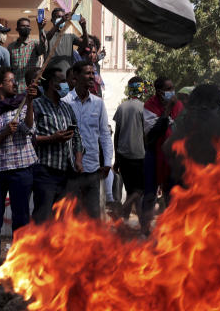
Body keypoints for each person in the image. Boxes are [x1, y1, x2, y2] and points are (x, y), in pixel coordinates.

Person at [0, 67, 37, 278]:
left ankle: (21, 272)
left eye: (15, 81)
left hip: (21, 170)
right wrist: (4, 133)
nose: (15, 84)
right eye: (11, 81)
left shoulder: (21, 104)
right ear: (0, 85)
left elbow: (29, 129)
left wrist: (30, 103)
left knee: (21, 222)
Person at [32, 67, 83, 224]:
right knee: (43, 217)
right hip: (45, 172)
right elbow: (29, 138)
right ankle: (36, 248)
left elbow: (77, 137)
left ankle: (55, 249)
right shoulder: (36, 105)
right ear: (52, 84)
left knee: (61, 220)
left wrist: (78, 159)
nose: (66, 84)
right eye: (62, 81)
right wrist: (51, 139)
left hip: (66, 172)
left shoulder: (66, 108)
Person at [64, 61, 113, 219]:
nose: (92, 76)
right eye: (88, 73)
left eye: (93, 73)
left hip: (92, 169)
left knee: (93, 218)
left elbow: (105, 134)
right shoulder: (65, 103)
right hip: (70, 169)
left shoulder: (98, 103)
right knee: (72, 217)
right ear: (76, 76)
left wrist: (107, 162)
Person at [142, 77, 183, 227]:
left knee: (172, 193)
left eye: (173, 88)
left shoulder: (179, 106)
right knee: (149, 194)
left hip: (173, 158)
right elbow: (152, 135)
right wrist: (166, 111)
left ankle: (173, 228)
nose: (172, 92)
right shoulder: (149, 106)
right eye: (168, 89)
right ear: (159, 92)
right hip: (154, 155)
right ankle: (145, 228)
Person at [113, 77, 148, 228]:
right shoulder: (144, 108)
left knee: (131, 190)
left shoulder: (122, 107)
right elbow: (146, 135)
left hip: (123, 156)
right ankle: (142, 226)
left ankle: (124, 221)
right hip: (140, 156)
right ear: (141, 89)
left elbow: (117, 133)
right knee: (138, 192)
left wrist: (117, 158)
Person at [7, 17, 46, 92]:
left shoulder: (35, 44)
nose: (26, 28)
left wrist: (41, 29)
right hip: (16, 90)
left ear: (30, 29)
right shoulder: (11, 47)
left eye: (28, 26)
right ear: (17, 29)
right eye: (23, 26)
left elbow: (44, 48)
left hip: (31, 89)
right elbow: (9, 68)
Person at [43, 9, 86, 74]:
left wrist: (84, 28)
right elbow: (47, 38)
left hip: (66, 77)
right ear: (52, 20)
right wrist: (60, 22)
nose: (61, 19)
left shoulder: (71, 37)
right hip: (50, 78)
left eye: (63, 17)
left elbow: (85, 44)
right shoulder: (46, 34)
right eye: (58, 17)